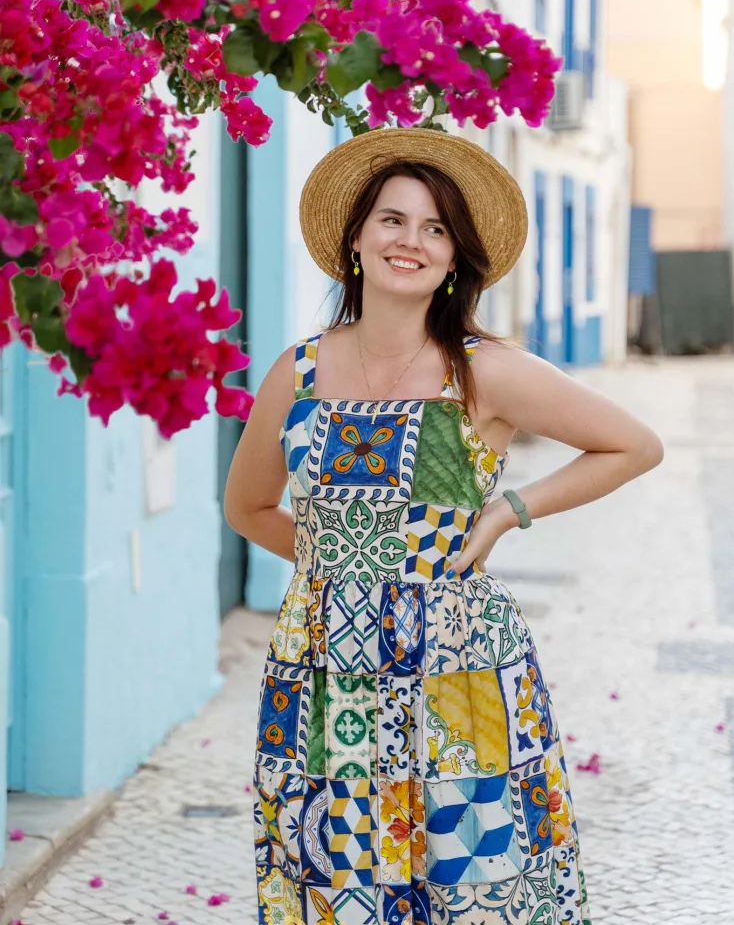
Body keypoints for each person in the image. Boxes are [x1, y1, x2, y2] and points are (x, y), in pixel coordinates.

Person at [224, 127, 663, 925]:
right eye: (391, 220)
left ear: (454, 258)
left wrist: (505, 512)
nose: (410, 242)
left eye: (434, 229)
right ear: (355, 237)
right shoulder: (298, 372)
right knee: (338, 877)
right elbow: (246, 507)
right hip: (328, 668)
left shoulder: (482, 369)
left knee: (477, 879)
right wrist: (344, 568)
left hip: (459, 660)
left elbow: (632, 444)